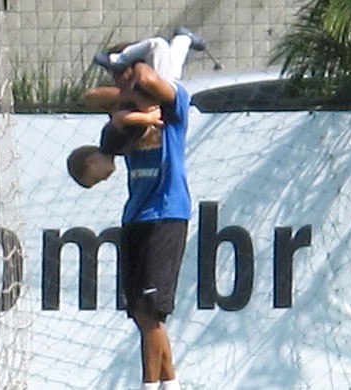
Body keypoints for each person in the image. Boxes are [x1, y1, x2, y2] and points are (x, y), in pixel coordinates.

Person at [69, 28, 204, 390]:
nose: (116, 81)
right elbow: (95, 104)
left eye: (120, 73)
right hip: (135, 219)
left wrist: (131, 71)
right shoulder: (129, 118)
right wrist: (128, 112)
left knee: (150, 313)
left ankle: (150, 384)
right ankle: (169, 383)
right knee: (141, 314)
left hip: (166, 214)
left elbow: (146, 77)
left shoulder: (173, 108)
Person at [67, 28, 205, 184]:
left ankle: (183, 39)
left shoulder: (166, 97)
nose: (116, 79)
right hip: (141, 202)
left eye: (118, 73)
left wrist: (136, 64)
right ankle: (183, 38)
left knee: (160, 49)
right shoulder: (126, 110)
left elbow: (147, 80)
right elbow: (89, 97)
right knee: (172, 70)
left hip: (165, 201)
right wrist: (133, 96)